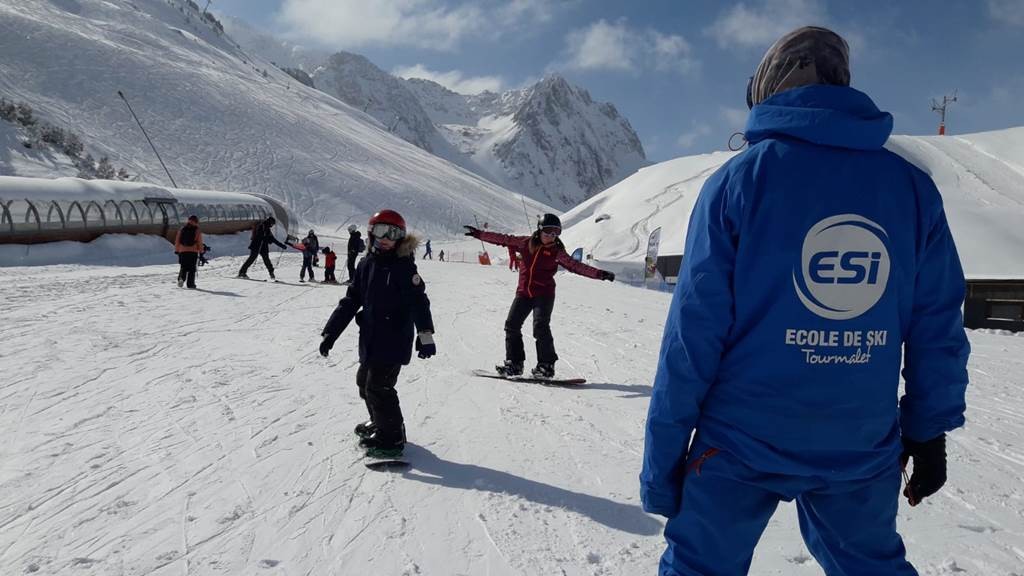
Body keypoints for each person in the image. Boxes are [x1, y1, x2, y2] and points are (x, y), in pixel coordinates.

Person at [640, 27, 970, 576]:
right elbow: (936, 322)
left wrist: (662, 466)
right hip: (858, 445)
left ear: (766, 89)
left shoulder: (739, 181)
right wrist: (927, 431)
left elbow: (692, 336)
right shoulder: (911, 189)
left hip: (739, 444)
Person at [319, 210, 435, 459]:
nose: (385, 238)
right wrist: (331, 332)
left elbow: (419, 302)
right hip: (371, 338)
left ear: (401, 238)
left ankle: (391, 438)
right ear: (371, 233)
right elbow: (351, 301)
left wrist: (425, 334)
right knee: (364, 384)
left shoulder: (404, 267)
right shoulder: (366, 264)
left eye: (392, 233)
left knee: (379, 387)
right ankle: (381, 423)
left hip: (394, 338)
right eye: (380, 231)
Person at [464, 213, 614, 379]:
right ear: (540, 229)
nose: (551, 236)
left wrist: (599, 274)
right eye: (548, 232)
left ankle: (546, 366)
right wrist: (480, 234)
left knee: (540, 327)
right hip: (524, 293)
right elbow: (503, 239)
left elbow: (575, 266)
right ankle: (514, 364)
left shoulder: (557, 251)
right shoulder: (525, 243)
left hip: (544, 294)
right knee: (511, 325)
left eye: (556, 233)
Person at [174, 215, 203, 289]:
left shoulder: (182, 229)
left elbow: (177, 241)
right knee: (192, 268)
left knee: (183, 266)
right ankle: (190, 284)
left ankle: (181, 278)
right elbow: (199, 242)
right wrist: (201, 252)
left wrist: (177, 250)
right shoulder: (197, 230)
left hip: (183, 251)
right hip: (193, 252)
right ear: (196, 221)